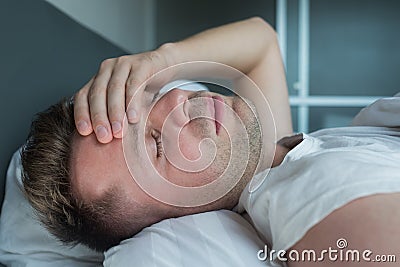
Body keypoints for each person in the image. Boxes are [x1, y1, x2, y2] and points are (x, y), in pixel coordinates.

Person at [21, 17, 400, 266]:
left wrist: (160, 61)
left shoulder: (272, 155)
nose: (174, 100)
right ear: (183, 215)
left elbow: (262, 43)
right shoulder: (311, 198)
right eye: (154, 146)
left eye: (151, 98)